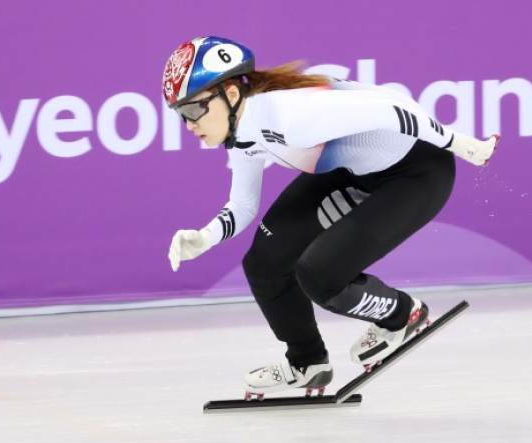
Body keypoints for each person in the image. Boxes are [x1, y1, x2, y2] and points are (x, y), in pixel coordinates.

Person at [164, 36, 498, 399]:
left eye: (194, 109)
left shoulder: (292, 117)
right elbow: (243, 206)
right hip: (353, 171)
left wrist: (457, 142)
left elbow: (393, 108)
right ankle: (307, 362)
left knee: (319, 275)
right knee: (264, 263)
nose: (189, 123)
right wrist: (206, 236)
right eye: (181, 114)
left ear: (229, 95)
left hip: (416, 173)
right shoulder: (243, 132)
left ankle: (401, 315)